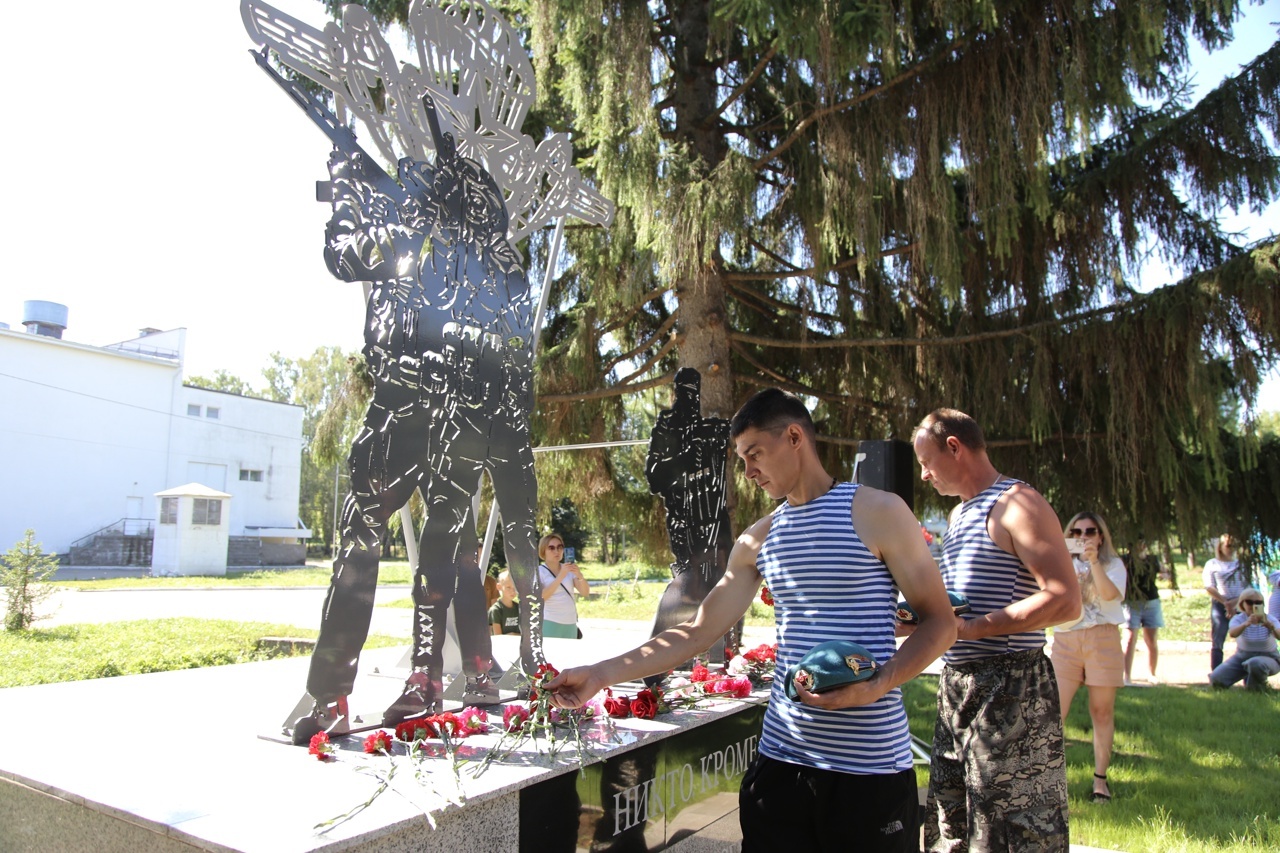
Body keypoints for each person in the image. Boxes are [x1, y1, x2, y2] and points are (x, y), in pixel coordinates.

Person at [549, 388, 956, 852]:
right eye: (741, 459)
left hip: (869, 772)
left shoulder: (879, 512)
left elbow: (940, 622)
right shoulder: (758, 541)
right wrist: (601, 674)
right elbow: (696, 631)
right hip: (781, 766)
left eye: (754, 454)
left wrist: (881, 682)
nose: (748, 472)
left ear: (795, 437)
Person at [912, 408, 1080, 852]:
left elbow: (1065, 598)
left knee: (1010, 835)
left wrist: (968, 629)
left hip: (1011, 687)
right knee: (954, 826)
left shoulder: (1018, 503)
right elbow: (960, 603)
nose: (924, 476)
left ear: (955, 447)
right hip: (957, 687)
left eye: (926, 462)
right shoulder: (958, 515)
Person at [1050, 512, 1127, 804]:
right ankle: (1049, 779)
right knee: (1054, 712)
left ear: (1101, 535)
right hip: (1067, 640)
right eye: (1077, 531)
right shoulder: (1061, 562)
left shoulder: (1114, 564)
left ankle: (1100, 781)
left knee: (1102, 712)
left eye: (1090, 531)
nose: (1084, 537)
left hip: (1103, 638)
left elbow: (1109, 596)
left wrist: (1094, 562)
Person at [1208, 587, 1280, 689]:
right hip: (1242, 657)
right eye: (1249, 602)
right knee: (1216, 679)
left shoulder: (1269, 619)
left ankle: (1258, 688)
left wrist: (1271, 627)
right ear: (1242, 604)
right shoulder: (1238, 619)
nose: (1254, 605)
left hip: (1269, 658)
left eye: (1258, 602)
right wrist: (1246, 624)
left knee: (1255, 664)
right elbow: (1233, 633)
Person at [1203, 535, 1251, 671]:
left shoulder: (1241, 564)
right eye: (1228, 546)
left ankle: (1246, 675)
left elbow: (1248, 585)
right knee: (1218, 640)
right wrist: (1225, 602)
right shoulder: (1212, 564)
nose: (1231, 550)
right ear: (1220, 547)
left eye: (1234, 546)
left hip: (1241, 605)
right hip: (1220, 605)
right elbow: (1209, 586)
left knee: (1244, 641)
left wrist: (1235, 602)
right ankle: (1216, 674)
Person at [1122, 539, 1164, 685]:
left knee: (1151, 640)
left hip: (1152, 602)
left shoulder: (1152, 559)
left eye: (1144, 542)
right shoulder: (1125, 560)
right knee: (1129, 639)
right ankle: (1126, 676)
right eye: (1138, 542)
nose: (1141, 544)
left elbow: (1162, 572)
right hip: (1131, 602)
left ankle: (1151, 674)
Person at [538, 535, 589, 639]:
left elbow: (585, 593)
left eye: (560, 547)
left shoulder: (568, 569)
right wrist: (560, 576)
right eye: (551, 548)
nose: (556, 551)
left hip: (570, 621)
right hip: (550, 621)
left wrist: (579, 575)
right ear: (543, 551)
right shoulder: (539, 571)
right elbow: (542, 597)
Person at [488, 571, 520, 636]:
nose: (513, 591)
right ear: (499, 587)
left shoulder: (519, 607)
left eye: (515, 587)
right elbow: (498, 636)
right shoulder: (496, 610)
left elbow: (526, 634)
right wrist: (513, 635)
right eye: (508, 587)